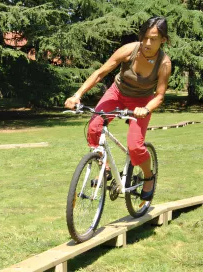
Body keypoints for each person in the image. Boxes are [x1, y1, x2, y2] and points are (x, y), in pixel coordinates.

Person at [64, 16, 172, 201]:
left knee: (135, 146)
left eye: (153, 38)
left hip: (142, 102)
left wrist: (145, 109)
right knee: (94, 127)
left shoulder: (164, 63)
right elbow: (100, 73)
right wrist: (77, 95)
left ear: (163, 40)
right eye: (145, 37)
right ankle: (104, 168)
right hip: (117, 94)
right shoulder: (129, 50)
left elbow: (160, 95)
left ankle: (148, 176)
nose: (147, 42)